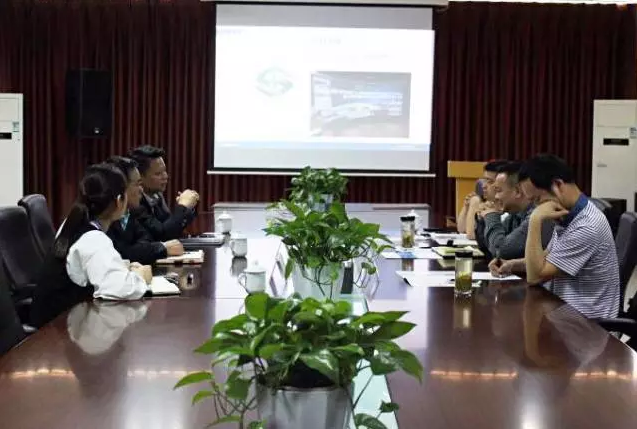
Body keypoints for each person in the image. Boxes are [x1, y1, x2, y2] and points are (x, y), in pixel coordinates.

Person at [490, 154, 619, 319]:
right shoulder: (570, 215)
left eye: (537, 199)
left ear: (558, 185)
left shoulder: (587, 226)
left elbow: (535, 277)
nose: (536, 207)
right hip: (563, 313)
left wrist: (535, 219)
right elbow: (547, 259)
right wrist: (512, 265)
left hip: (585, 325)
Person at [31, 164, 152, 328]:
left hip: (57, 323)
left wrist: (123, 268)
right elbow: (120, 289)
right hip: (58, 331)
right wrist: (141, 277)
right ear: (119, 201)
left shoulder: (74, 222)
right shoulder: (93, 239)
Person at [105, 156, 184, 264]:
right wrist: (161, 247)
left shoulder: (130, 213)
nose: (141, 190)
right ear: (121, 187)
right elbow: (122, 253)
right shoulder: (105, 218)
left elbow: (147, 240)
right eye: (137, 184)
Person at [482, 161, 553, 259]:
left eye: (498, 191)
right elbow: (487, 248)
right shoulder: (514, 215)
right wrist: (482, 219)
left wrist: (491, 217)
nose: (496, 197)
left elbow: (501, 251)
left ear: (517, 191)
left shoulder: (538, 215)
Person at [128, 145, 198, 241]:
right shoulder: (135, 202)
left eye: (164, 171)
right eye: (158, 174)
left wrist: (189, 206)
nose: (165, 176)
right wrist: (182, 206)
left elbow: (172, 227)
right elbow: (163, 235)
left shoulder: (157, 196)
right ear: (139, 176)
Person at [461, 160, 508, 260]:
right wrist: (467, 207)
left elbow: (471, 235)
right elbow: (462, 229)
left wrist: (476, 204)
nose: (483, 186)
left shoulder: (509, 212)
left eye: (490, 181)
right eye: (484, 180)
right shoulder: (487, 205)